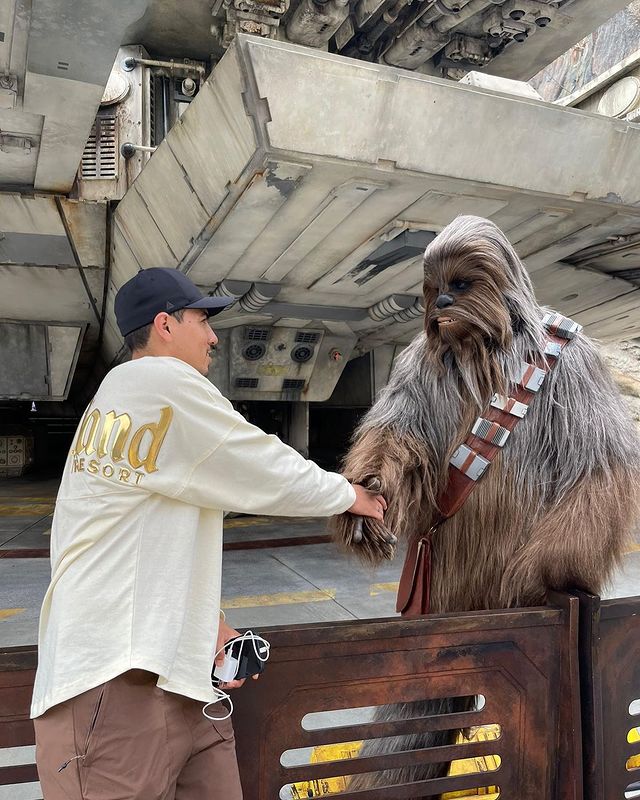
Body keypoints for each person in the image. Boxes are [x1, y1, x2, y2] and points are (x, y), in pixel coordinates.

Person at [32, 267, 387, 800]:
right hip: (115, 686)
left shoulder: (115, 398)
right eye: (202, 319)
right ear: (165, 326)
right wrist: (353, 495)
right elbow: (256, 462)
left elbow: (136, 534)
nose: (214, 336)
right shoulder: (162, 383)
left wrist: (208, 622)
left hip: (170, 679)